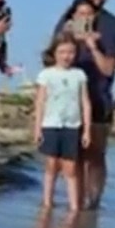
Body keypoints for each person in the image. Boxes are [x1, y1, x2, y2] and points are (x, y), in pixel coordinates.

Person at [54, 0, 115, 210]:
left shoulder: (114, 25)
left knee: (96, 154)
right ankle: (75, 199)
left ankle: (93, 199)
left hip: (99, 96)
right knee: (71, 153)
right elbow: (51, 55)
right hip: (68, 97)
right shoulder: (69, 19)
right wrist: (69, 34)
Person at [33, 32, 90, 212]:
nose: (67, 56)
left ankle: (73, 205)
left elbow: (85, 103)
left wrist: (87, 130)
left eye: (71, 52)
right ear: (55, 53)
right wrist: (37, 128)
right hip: (50, 124)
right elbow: (40, 102)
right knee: (51, 164)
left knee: (70, 167)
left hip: (72, 125)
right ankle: (47, 201)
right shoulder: (46, 75)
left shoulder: (79, 75)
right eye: (62, 52)